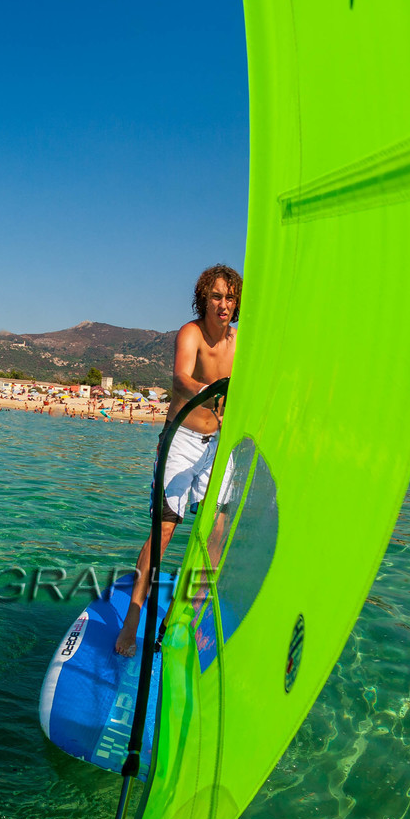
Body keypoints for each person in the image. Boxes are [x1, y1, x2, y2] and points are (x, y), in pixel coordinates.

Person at [116, 264, 239, 656]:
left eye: (230, 297)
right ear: (204, 297)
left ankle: (183, 616)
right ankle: (133, 618)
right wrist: (215, 389)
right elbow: (180, 379)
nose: (224, 303)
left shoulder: (240, 343)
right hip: (182, 439)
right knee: (165, 530)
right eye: (217, 296)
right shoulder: (192, 333)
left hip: (218, 443)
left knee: (217, 531)